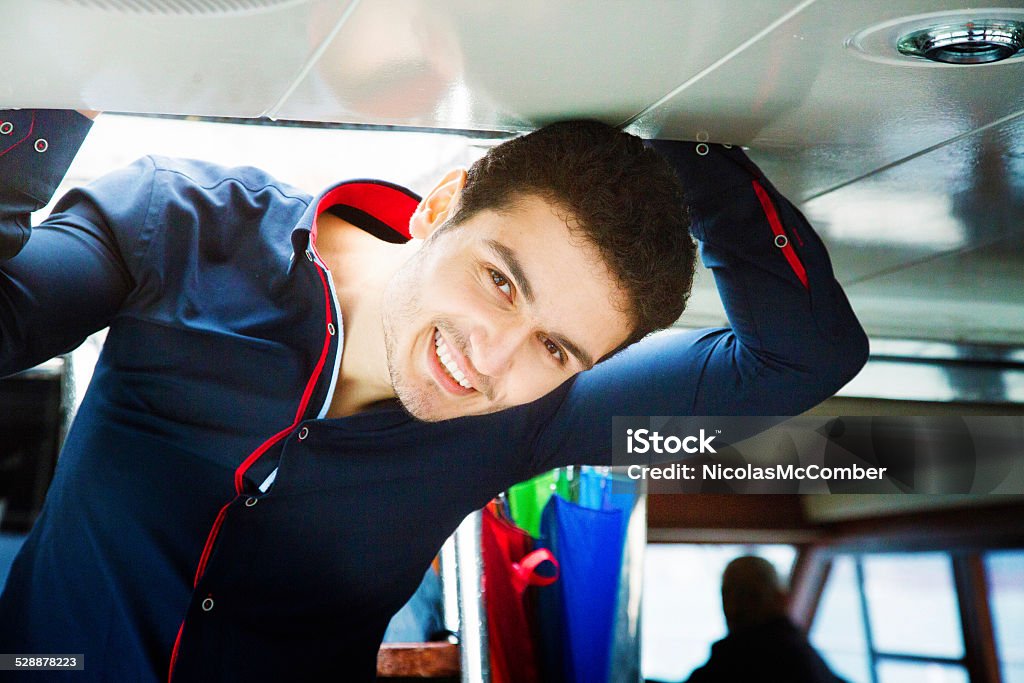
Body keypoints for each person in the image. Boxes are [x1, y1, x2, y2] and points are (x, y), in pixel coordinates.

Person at [0, 109, 868, 681]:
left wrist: (689, 127)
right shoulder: (186, 226)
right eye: (499, 280)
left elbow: (803, 356)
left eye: (556, 346)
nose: (489, 356)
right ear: (442, 203)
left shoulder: (537, 416)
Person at [684, 556, 848, 683]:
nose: (733, 606)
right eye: (727, 594)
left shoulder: (741, 659)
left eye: (749, 595)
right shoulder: (799, 653)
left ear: (780, 598)